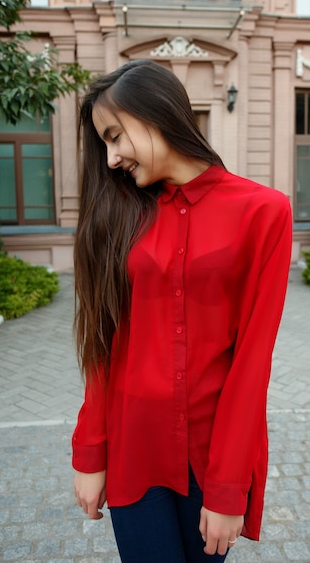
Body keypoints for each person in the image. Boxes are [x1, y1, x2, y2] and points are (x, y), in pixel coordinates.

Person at [72, 59, 292, 563]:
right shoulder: (121, 213)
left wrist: (228, 485)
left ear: (154, 112)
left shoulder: (264, 212)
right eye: (103, 144)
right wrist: (89, 452)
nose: (110, 159)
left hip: (210, 456)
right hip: (133, 450)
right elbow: (102, 343)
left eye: (115, 136)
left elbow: (252, 362)